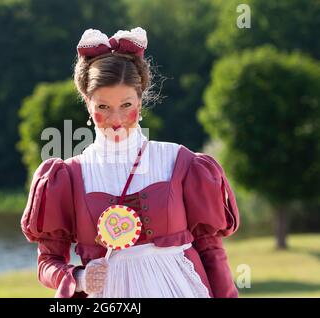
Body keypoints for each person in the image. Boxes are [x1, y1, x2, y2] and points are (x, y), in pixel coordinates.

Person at [20, 27, 240, 298]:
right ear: (87, 103)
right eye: (103, 107)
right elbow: (47, 262)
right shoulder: (67, 176)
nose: (116, 119)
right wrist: (79, 277)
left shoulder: (180, 162)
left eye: (126, 105)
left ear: (140, 98)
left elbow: (211, 251)